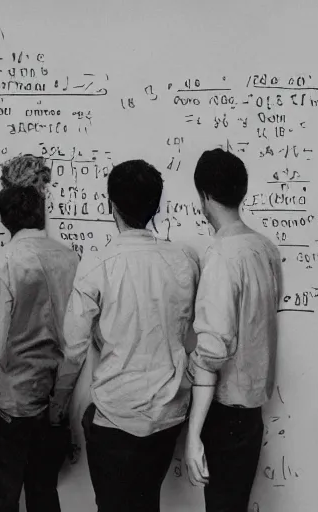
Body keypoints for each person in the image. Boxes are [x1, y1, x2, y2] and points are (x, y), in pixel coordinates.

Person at [60, 160, 198, 512]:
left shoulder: (97, 263)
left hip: (115, 413)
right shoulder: (185, 259)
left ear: (111, 206)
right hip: (168, 412)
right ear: (157, 205)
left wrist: (57, 407)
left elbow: (73, 349)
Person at [0, 186, 79, 512]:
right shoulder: (70, 258)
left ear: (5, 221)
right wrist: (61, 402)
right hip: (52, 397)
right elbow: (76, 341)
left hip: (9, 402)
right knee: (44, 493)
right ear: (42, 214)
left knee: (1, 498)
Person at [181, 149, 282, 511]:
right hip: (251, 414)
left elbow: (212, 351)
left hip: (225, 414)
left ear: (205, 196)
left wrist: (193, 436)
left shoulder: (222, 257)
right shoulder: (265, 248)